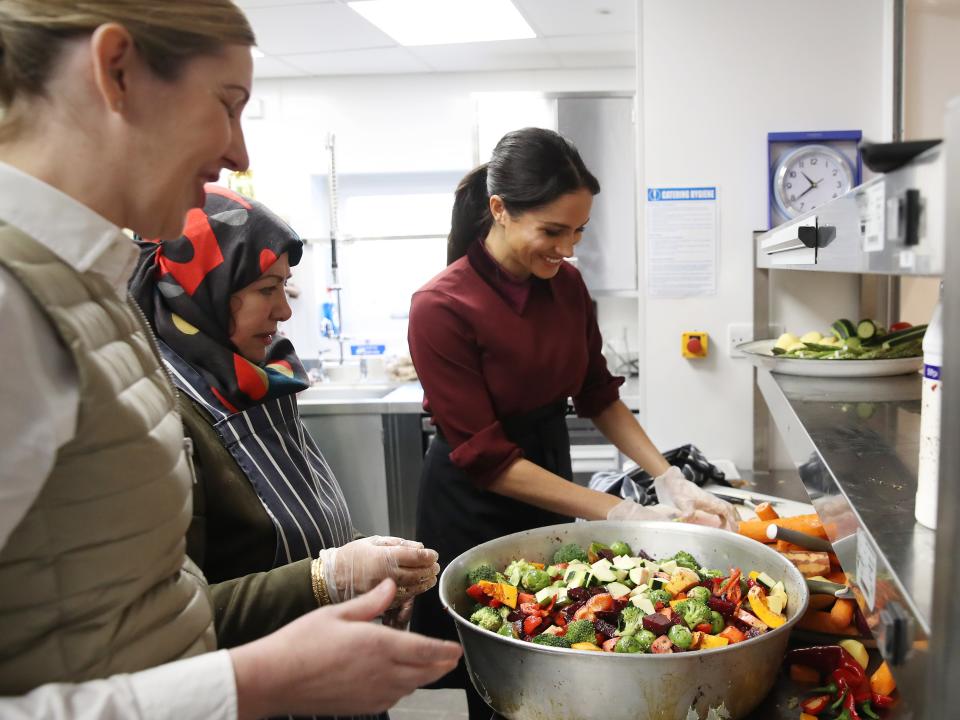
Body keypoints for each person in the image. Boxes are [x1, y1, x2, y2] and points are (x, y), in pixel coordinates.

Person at [0, 2, 460, 718]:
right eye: (228, 105)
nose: (239, 154)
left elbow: (135, 604)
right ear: (115, 70)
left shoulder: (92, 293)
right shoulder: (12, 301)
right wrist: (260, 680)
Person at [406, 127, 737, 718]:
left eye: (579, 231)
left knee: (570, 643)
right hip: (475, 501)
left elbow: (597, 393)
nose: (568, 248)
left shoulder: (568, 286)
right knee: (503, 675)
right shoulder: (442, 306)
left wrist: (666, 477)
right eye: (554, 231)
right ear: (500, 210)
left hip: (548, 478)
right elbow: (487, 458)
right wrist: (619, 511)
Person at [128, 187, 439, 654]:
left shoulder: (257, 377)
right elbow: (167, 618)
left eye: (284, 287)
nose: (285, 310)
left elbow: (294, 514)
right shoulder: (163, 414)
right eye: (266, 290)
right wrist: (325, 578)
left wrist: (363, 559)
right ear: (201, 292)